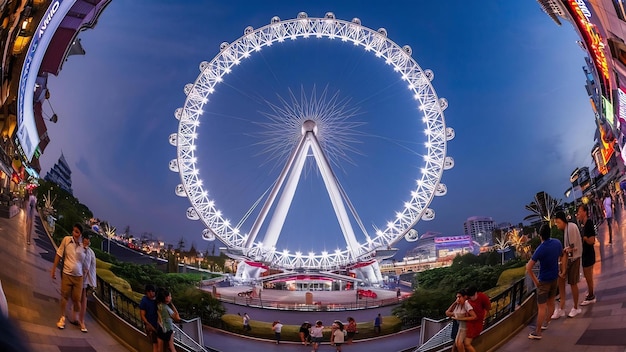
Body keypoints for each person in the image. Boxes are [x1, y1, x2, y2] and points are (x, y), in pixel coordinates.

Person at [527, 223, 562, 339]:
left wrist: (536, 281)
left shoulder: (540, 249)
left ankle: (537, 332)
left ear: (540, 235)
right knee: (551, 303)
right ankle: (546, 322)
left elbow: (528, 267)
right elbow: (561, 255)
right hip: (554, 278)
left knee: (541, 307)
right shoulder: (557, 243)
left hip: (544, 281)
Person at [50, 223, 86, 329]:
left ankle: (76, 317)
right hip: (67, 274)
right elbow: (59, 254)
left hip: (79, 277)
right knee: (64, 297)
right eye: (74, 231)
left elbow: (87, 263)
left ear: (81, 234)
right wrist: (53, 269)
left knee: (77, 300)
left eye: (77, 232)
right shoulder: (66, 240)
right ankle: (62, 317)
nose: (74, 233)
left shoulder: (84, 246)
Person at [552, 211, 583, 319]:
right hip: (571, 259)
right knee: (563, 282)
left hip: (574, 259)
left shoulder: (570, 228)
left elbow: (573, 247)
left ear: (563, 220)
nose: (557, 225)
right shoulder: (567, 229)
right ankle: (562, 308)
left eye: (558, 222)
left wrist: (565, 250)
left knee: (573, 283)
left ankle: (576, 307)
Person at [577, 204, 597, 306]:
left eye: (580, 211)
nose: (578, 213)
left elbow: (592, 240)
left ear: (585, 212)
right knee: (588, 276)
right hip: (586, 254)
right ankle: (590, 293)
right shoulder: (583, 224)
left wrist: (585, 239)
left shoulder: (588, 223)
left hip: (588, 254)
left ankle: (591, 296)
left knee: (588, 277)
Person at [79, 231, 97, 333]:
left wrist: (92, 284)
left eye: (89, 239)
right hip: (76, 277)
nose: (88, 240)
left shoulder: (91, 253)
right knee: (75, 298)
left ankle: (81, 321)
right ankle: (75, 317)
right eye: (87, 238)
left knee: (83, 300)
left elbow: (91, 269)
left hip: (84, 281)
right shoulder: (78, 248)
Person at [464, 286, 491, 351]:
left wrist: (483, 317)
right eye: (470, 296)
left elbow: (487, 308)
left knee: (467, 343)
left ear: (476, 293)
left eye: (473, 295)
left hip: (477, 322)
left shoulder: (482, 297)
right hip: (469, 321)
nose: (472, 297)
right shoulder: (468, 299)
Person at [139, 284, 159, 352]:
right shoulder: (144, 300)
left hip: (159, 325)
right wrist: (147, 324)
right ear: (146, 292)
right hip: (151, 326)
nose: (151, 293)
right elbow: (142, 315)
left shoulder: (158, 300)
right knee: (155, 344)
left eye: (152, 291)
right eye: (149, 291)